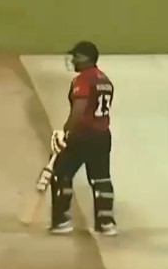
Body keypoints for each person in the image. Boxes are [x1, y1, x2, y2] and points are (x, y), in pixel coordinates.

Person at [49, 41, 117, 237]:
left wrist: (65, 132)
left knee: (61, 173)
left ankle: (61, 221)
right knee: (101, 179)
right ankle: (106, 223)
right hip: (102, 136)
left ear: (86, 58)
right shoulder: (105, 80)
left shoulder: (83, 80)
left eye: (76, 57)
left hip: (83, 135)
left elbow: (80, 109)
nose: (72, 60)